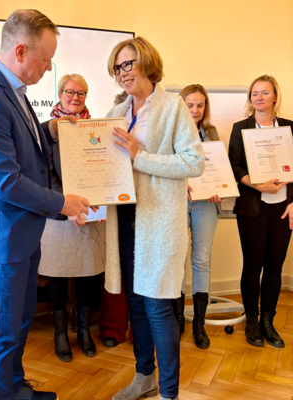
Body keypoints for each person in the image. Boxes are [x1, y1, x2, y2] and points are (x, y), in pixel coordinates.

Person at [0, 9, 97, 400]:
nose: (49, 67)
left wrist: (53, 128)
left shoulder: (10, 89)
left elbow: (25, 142)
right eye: (46, 58)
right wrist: (62, 203)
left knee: (19, 321)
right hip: (2, 236)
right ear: (21, 51)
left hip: (20, 233)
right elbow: (5, 181)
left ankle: (16, 389)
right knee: (3, 332)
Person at [104, 37, 205, 400]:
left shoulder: (172, 106)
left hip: (159, 221)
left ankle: (168, 393)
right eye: (118, 67)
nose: (122, 72)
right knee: (134, 301)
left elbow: (194, 162)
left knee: (157, 305)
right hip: (125, 216)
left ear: (146, 62)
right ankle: (144, 376)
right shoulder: (116, 110)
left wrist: (140, 155)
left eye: (128, 64)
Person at [39, 74, 106, 362]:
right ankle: (60, 334)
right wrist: (66, 206)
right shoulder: (46, 131)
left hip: (89, 212)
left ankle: (84, 331)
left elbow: (103, 169)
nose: (75, 98)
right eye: (70, 92)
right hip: (58, 214)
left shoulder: (97, 128)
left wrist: (99, 205)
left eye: (81, 93)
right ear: (60, 94)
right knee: (58, 275)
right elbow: (44, 174)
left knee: (88, 274)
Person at [229, 74, 293, 349]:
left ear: (275, 97)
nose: (259, 97)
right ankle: (252, 322)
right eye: (254, 93)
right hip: (252, 207)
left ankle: (269, 321)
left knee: (275, 267)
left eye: (265, 92)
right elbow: (234, 165)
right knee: (253, 266)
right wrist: (258, 185)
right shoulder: (240, 127)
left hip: (284, 208)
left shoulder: (290, 128)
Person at [173, 84, 224, 349]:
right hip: (178, 201)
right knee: (179, 258)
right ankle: (178, 320)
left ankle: (199, 324)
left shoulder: (211, 133)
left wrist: (219, 189)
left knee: (201, 259)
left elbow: (219, 170)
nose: (195, 110)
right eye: (190, 104)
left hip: (206, 203)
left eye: (200, 105)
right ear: (181, 105)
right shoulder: (170, 131)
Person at [99, 89, 133, 349]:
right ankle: (113, 327)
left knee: (140, 271)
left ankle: (139, 329)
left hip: (145, 205)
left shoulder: (149, 131)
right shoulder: (105, 131)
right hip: (115, 205)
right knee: (116, 268)